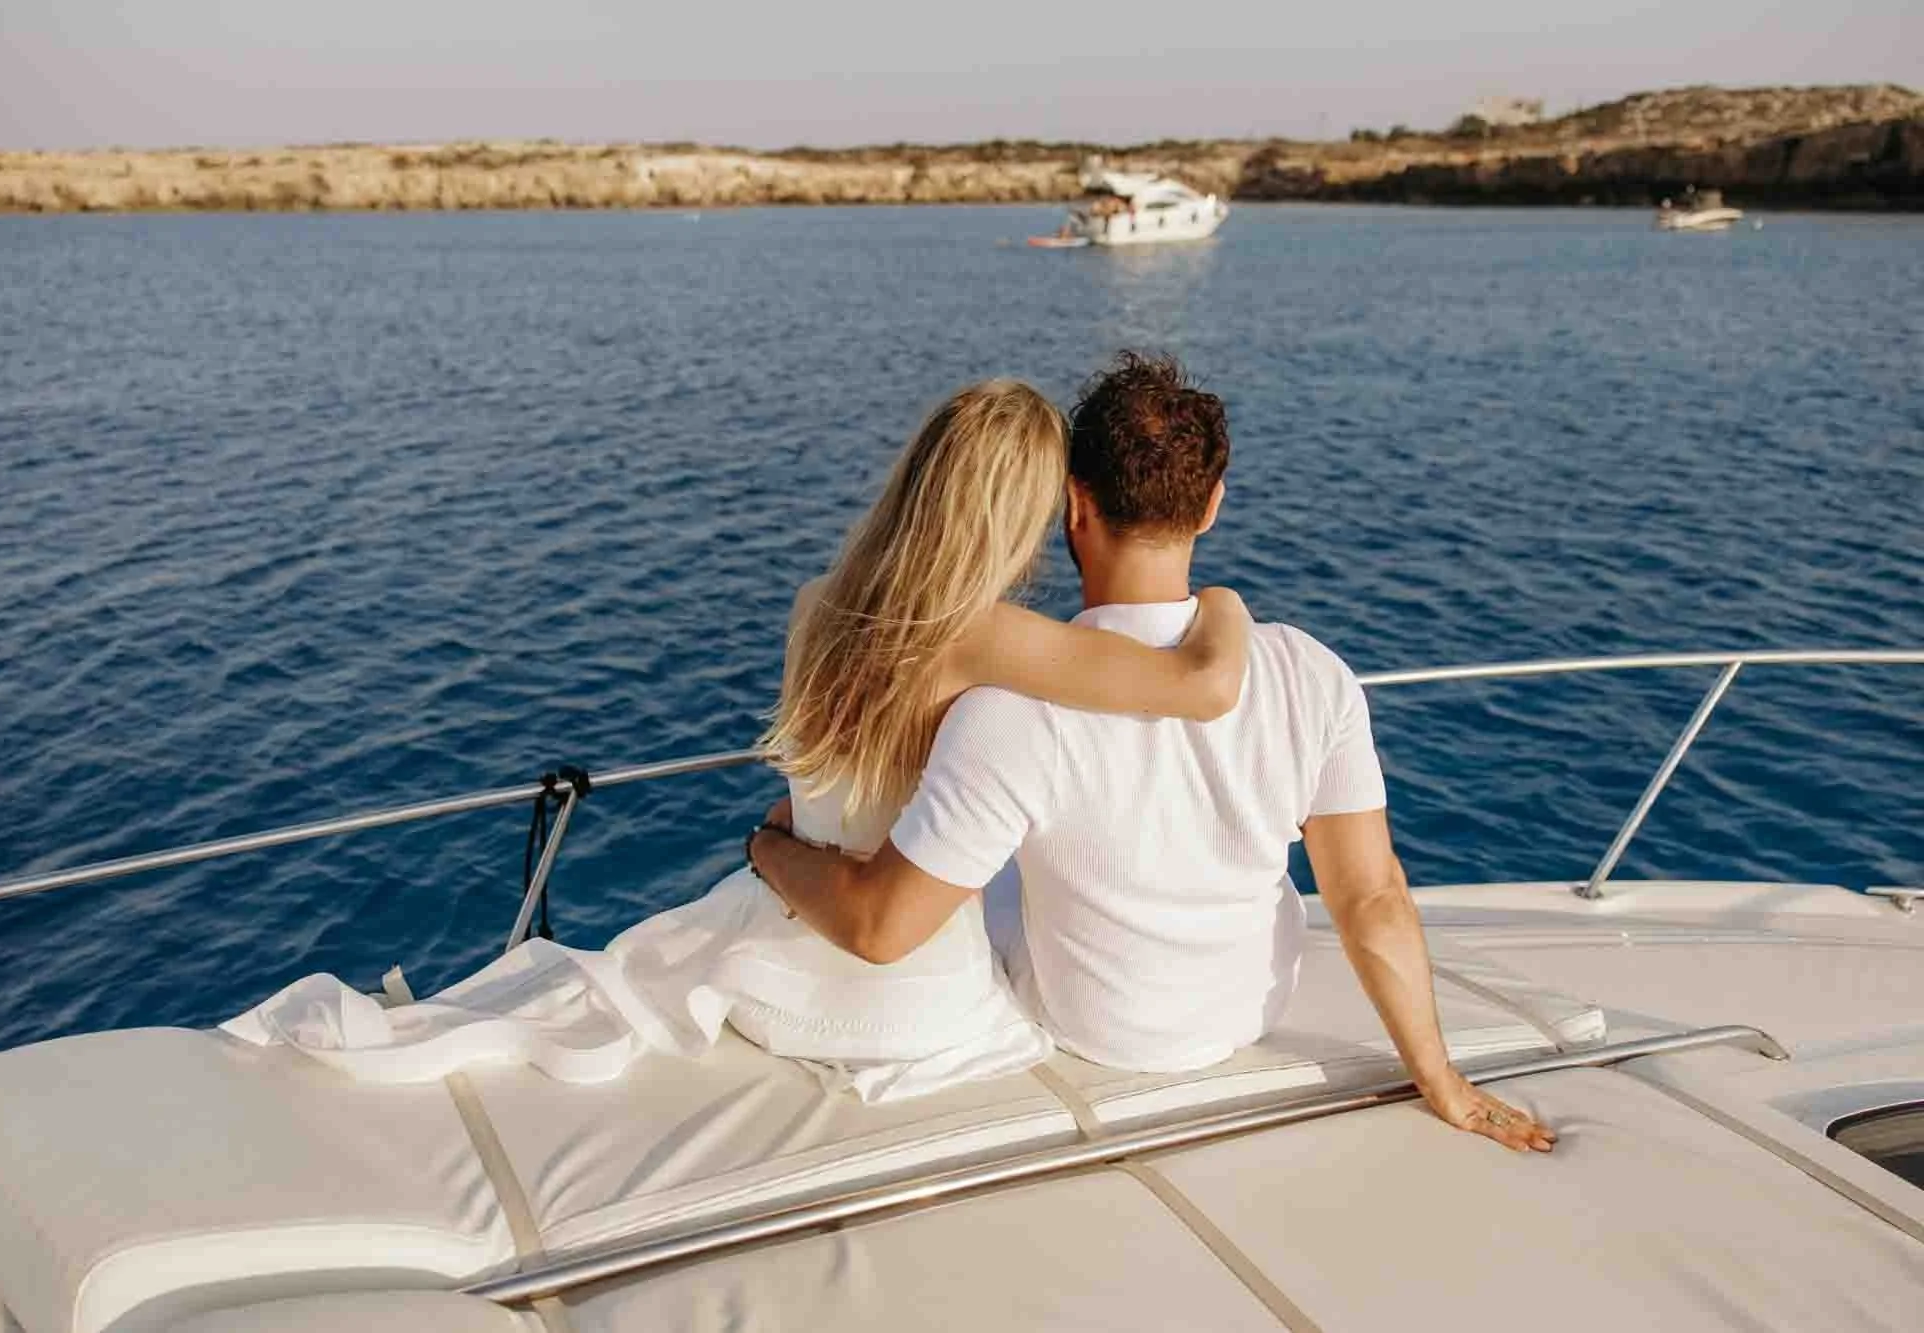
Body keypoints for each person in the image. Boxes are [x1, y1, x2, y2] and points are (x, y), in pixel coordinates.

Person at [224, 378, 1254, 1102]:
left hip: (782, 977)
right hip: (903, 1014)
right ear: (1022, 511)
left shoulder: (819, 608)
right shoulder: (986, 638)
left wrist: (771, 845)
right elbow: (1202, 684)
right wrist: (1222, 597)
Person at [749, 353, 1558, 1151]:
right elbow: (1373, 897)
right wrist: (1441, 1078)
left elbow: (886, 924)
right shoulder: (1313, 674)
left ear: (1074, 504)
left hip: (1093, 1030)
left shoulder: (1005, 712)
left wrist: (768, 844)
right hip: (1249, 1013)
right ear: (1211, 505)